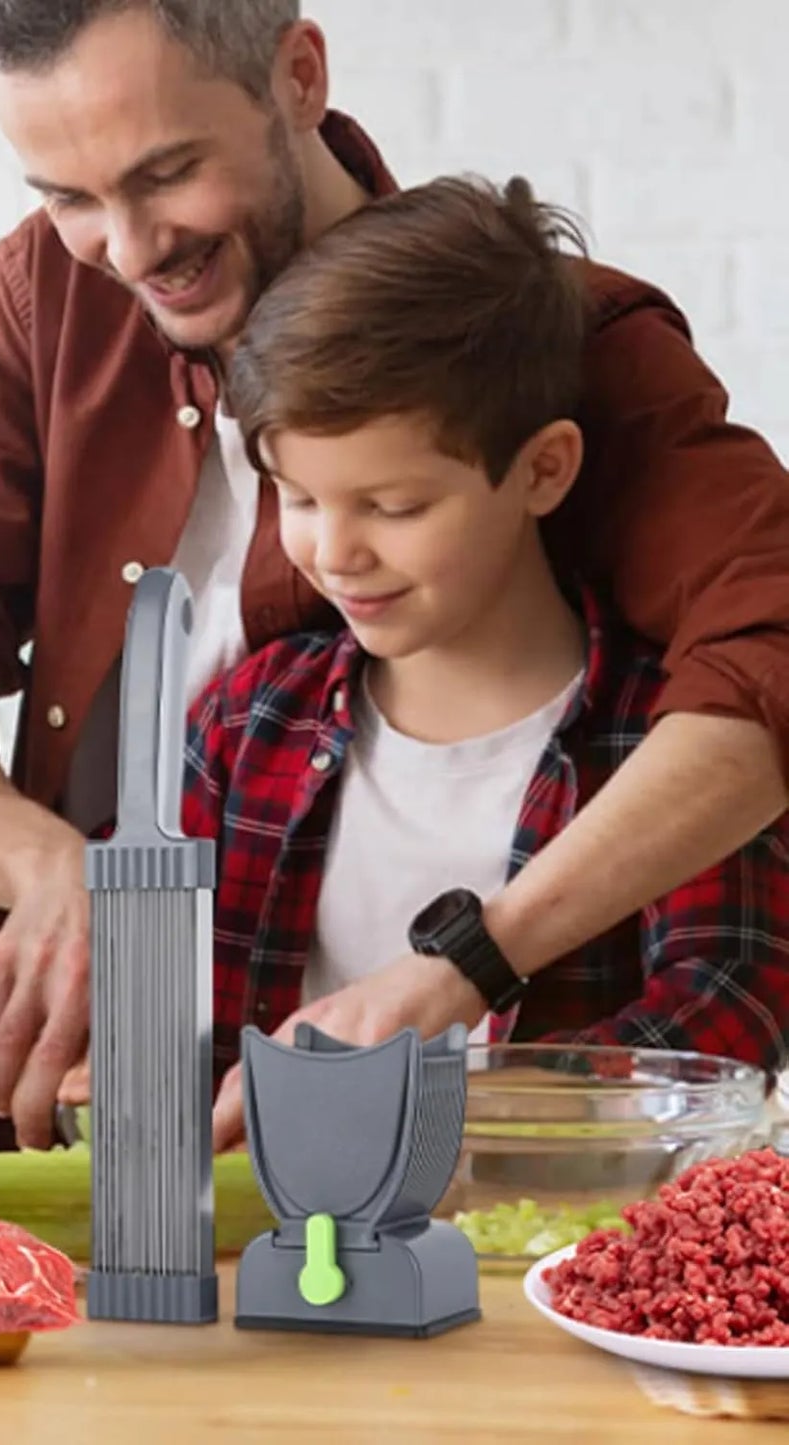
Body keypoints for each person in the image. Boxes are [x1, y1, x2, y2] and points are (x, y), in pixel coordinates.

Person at [0, 1, 789, 1150]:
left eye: (167, 170)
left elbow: (765, 657)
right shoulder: (46, 298)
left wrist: (468, 964)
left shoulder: (556, 342)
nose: (124, 247)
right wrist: (55, 870)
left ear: (298, 77)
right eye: (64, 196)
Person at [185, 174, 789, 1150]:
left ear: (543, 469)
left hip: (541, 1276)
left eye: (393, 506)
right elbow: (189, 1022)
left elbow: (723, 1020)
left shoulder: (660, 743)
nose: (333, 551)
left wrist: (431, 1119)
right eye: (296, 496)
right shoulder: (247, 719)